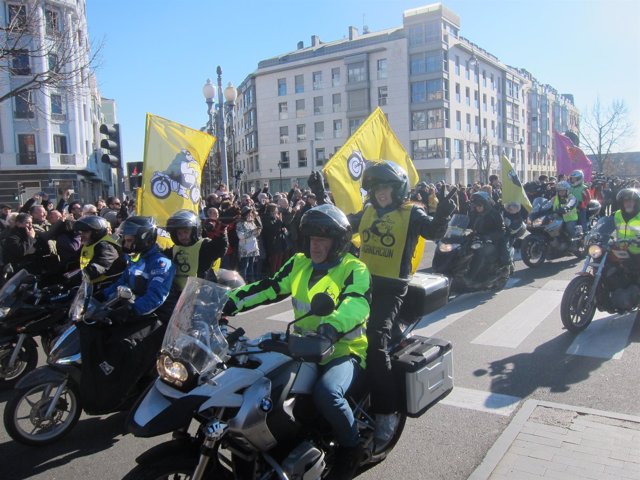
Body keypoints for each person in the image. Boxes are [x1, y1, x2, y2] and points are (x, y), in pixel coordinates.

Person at [309, 161, 455, 445]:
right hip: (361, 283)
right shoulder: (368, 212)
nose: (380, 193)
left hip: (391, 289)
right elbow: (337, 222)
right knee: (326, 327)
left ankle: (386, 411)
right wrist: (320, 195)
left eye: (385, 187)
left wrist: (446, 213)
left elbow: (434, 232)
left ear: (397, 189)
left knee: (375, 341)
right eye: (376, 188)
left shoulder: (412, 213)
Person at [223, 204, 371, 480]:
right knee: (263, 387)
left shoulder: (355, 268)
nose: (315, 246)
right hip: (303, 347)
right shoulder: (299, 263)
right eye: (312, 239)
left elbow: (357, 303)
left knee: (328, 393)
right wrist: (229, 302)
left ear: (337, 243)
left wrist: (332, 326)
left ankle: (352, 449)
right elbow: (268, 287)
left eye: (322, 240)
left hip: (342, 350)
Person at [164, 209, 227, 289]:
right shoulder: (174, 249)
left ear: (194, 231)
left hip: (199, 294)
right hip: (176, 296)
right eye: (179, 233)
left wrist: (222, 228)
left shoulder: (204, 246)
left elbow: (220, 248)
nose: (183, 237)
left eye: (186, 232)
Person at [74, 215, 126, 286]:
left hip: (104, 287)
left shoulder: (106, 246)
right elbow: (73, 261)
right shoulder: (89, 244)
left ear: (96, 233)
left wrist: (75, 277)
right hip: (87, 286)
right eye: (81, 231)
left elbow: (99, 266)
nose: (81, 234)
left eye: (85, 231)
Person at [468, 191, 511, 274]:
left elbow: (502, 230)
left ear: (485, 204)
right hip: (479, 238)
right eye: (476, 205)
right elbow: (467, 224)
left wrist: (489, 237)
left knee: (503, 253)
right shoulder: (473, 214)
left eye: (480, 205)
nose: (478, 207)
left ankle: (506, 268)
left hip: (494, 238)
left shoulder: (495, 214)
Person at [613, 188, 640, 258]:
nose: (629, 203)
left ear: (636, 202)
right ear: (622, 203)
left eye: (631, 201)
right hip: (621, 250)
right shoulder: (617, 214)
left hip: (637, 251)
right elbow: (610, 227)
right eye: (626, 201)